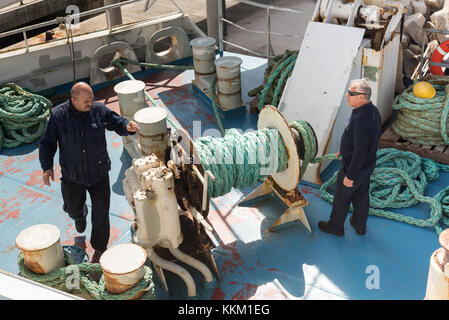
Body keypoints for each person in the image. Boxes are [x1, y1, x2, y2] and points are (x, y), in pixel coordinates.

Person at [39, 82, 140, 263]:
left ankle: (100, 247)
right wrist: (46, 167)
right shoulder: (58, 116)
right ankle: (79, 214)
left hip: (98, 173)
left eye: (92, 99)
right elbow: (48, 143)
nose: (91, 103)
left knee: (101, 214)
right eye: (86, 100)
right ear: (73, 100)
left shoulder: (99, 110)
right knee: (72, 207)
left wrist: (127, 127)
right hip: (72, 176)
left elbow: (116, 122)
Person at [318, 79, 381, 236]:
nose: (347, 96)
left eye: (351, 93)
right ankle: (359, 225)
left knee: (341, 198)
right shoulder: (372, 111)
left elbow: (360, 150)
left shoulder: (360, 119)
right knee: (361, 195)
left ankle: (335, 227)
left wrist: (350, 175)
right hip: (367, 166)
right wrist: (343, 150)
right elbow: (361, 141)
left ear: (361, 97)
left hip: (353, 167)